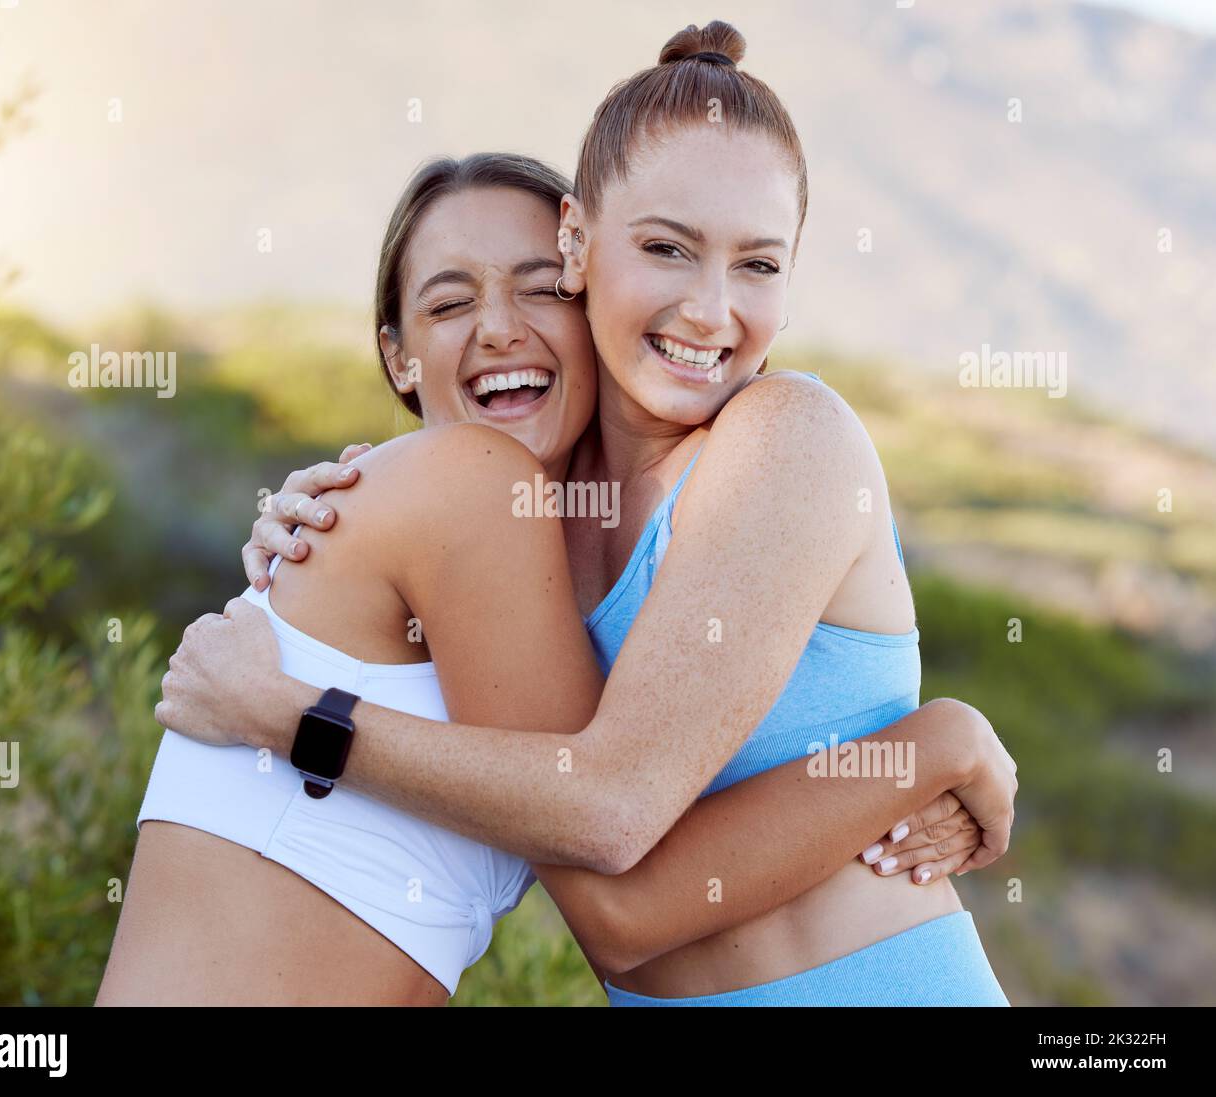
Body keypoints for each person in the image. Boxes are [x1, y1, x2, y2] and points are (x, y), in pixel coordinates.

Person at [144, 22, 1016, 1006]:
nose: (708, 310)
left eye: (759, 266)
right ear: (577, 239)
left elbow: (612, 834)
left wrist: (294, 717)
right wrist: (301, 528)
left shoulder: (788, 439)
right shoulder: (524, 524)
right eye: (666, 249)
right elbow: (617, 905)